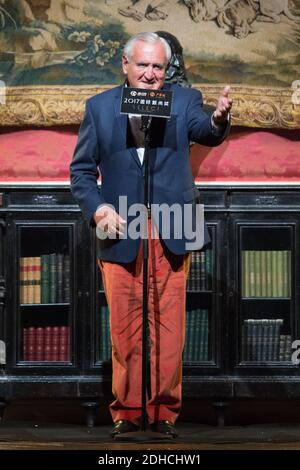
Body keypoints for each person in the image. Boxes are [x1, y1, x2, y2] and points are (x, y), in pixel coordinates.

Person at [70, 32, 232, 438]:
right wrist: (99, 208)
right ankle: (127, 411)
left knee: (169, 327)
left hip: (174, 224)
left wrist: (219, 118)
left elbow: (206, 130)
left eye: (157, 66)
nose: (149, 74)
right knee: (125, 327)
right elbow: (81, 172)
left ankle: (163, 412)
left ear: (167, 69)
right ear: (125, 65)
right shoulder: (99, 107)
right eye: (142, 65)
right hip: (120, 226)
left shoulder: (185, 100)